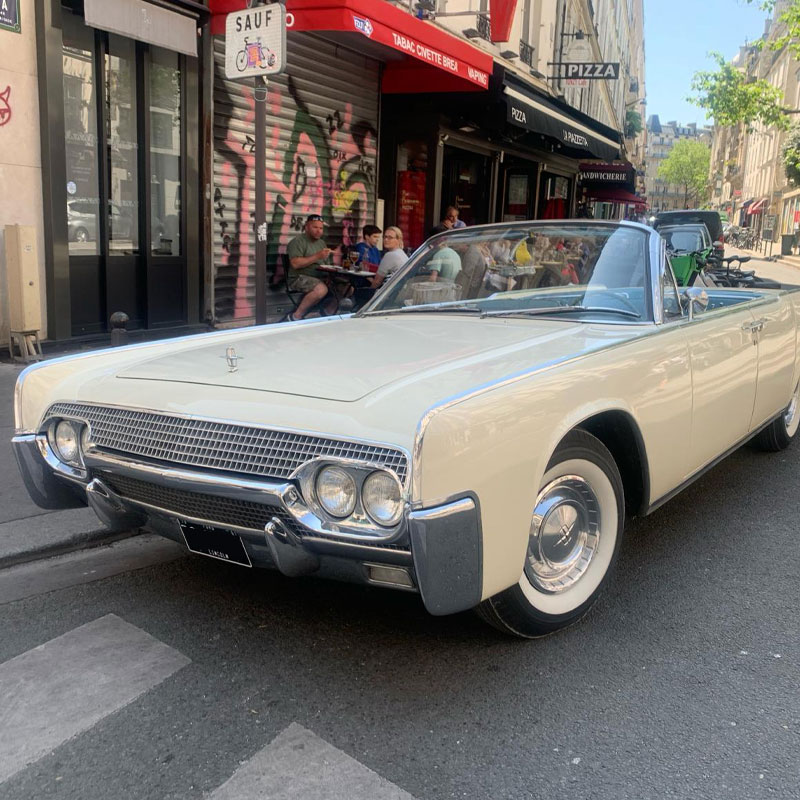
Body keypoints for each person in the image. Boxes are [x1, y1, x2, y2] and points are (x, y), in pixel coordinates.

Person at [282, 214, 333, 322]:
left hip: (319, 277)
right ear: (306, 227)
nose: (318, 231)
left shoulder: (321, 243)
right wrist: (317, 256)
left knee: (346, 286)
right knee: (321, 289)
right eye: (315, 227)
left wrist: (330, 274)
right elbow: (295, 264)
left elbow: (326, 263)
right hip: (298, 278)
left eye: (321, 228)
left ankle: (328, 312)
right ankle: (295, 316)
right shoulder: (297, 242)